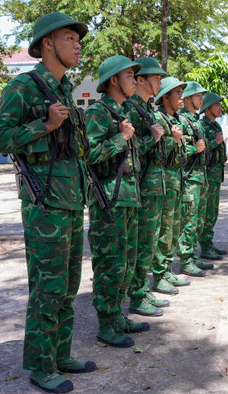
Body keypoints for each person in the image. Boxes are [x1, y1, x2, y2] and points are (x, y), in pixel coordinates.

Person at [0, 12, 94, 394]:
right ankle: (39, 364)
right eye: (70, 37)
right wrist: (44, 126)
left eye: (78, 39)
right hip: (44, 203)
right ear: (48, 43)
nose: (78, 44)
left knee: (68, 287)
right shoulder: (24, 87)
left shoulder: (65, 90)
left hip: (69, 201)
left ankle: (60, 356)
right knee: (47, 289)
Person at [84, 55, 149, 347]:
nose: (135, 81)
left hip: (128, 197)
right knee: (110, 263)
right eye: (129, 76)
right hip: (109, 198)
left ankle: (118, 316)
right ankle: (105, 323)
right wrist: (121, 139)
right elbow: (88, 155)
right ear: (113, 80)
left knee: (127, 261)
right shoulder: (98, 113)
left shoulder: (123, 112)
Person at [125, 57, 171, 316]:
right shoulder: (131, 109)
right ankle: (137, 295)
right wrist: (151, 138)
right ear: (140, 80)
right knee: (141, 245)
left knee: (149, 243)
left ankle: (143, 290)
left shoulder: (147, 109)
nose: (159, 82)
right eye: (156, 78)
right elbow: (131, 152)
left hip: (154, 186)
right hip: (140, 188)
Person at [150, 77, 191, 295]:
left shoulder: (174, 119)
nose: (181, 97)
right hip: (163, 181)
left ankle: (166, 269)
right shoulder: (158, 118)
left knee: (173, 229)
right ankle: (159, 274)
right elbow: (156, 154)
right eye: (177, 93)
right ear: (165, 97)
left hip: (175, 180)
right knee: (163, 231)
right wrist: (172, 140)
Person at [176, 81, 214, 277]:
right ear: (188, 98)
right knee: (189, 220)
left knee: (198, 220)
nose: (201, 99)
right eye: (198, 95)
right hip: (189, 178)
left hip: (201, 176)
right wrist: (194, 149)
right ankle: (185, 259)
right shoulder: (181, 121)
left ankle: (191, 256)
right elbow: (177, 152)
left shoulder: (196, 121)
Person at [197, 92, 228, 261]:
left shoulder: (217, 126)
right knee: (206, 212)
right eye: (217, 105)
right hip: (208, 175)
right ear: (208, 108)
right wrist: (215, 142)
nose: (220, 108)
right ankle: (204, 246)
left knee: (213, 212)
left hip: (216, 175)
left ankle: (208, 243)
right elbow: (200, 149)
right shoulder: (203, 126)